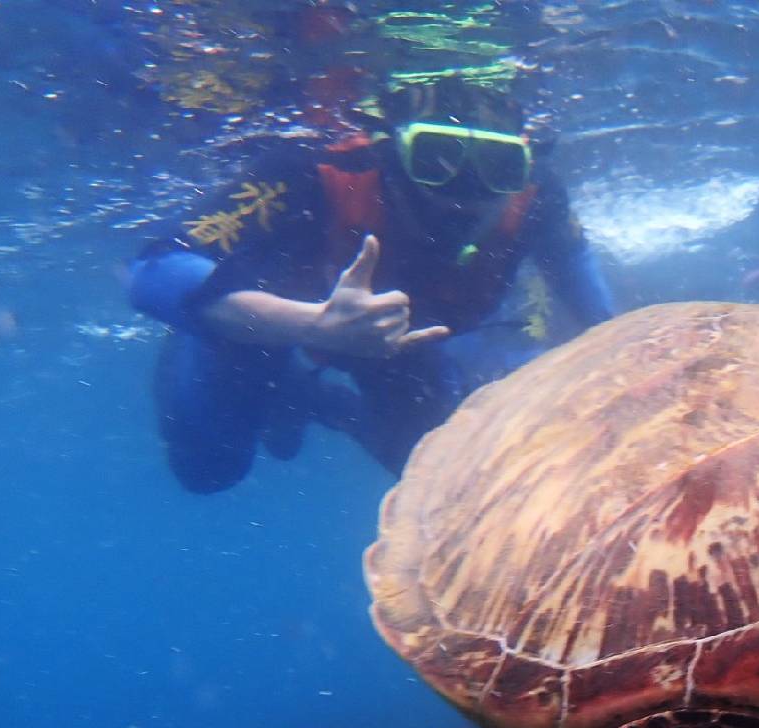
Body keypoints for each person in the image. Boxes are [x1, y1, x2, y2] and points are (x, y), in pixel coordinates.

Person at [128, 77, 618, 491]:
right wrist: (311, 325)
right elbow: (155, 269)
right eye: (436, 158)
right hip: (263, 333)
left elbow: (607, 330)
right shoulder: (307, 173)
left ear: (525, 164)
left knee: (442, 475)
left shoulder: (538, 199)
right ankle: (280, 385)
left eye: (500, 166)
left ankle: (318, 401)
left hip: (402, 346)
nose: (466, 192)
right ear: (391, 151)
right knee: (209, 470)